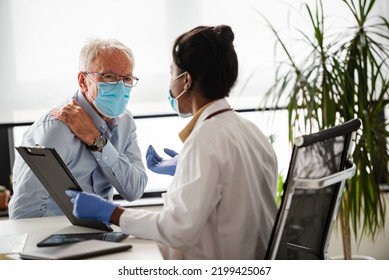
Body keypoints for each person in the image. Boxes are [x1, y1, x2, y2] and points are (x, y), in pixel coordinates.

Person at [66, 25, 278, 260]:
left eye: (171, 74)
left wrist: (110, 212)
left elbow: (177, 229)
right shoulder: (251, 131)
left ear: (185, 80)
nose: (169, 85)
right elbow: (231, 198)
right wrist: (185, 171)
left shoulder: (205, 139)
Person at [9, 38, 148, 219]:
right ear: (83, 81)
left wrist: (97, 140)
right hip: (60, 240)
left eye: (127, 78)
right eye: (109, 76)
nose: (120, 86)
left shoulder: (125, 121)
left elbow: (134, 190)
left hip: (102, 234)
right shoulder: (57, 129)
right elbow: (23, 214)